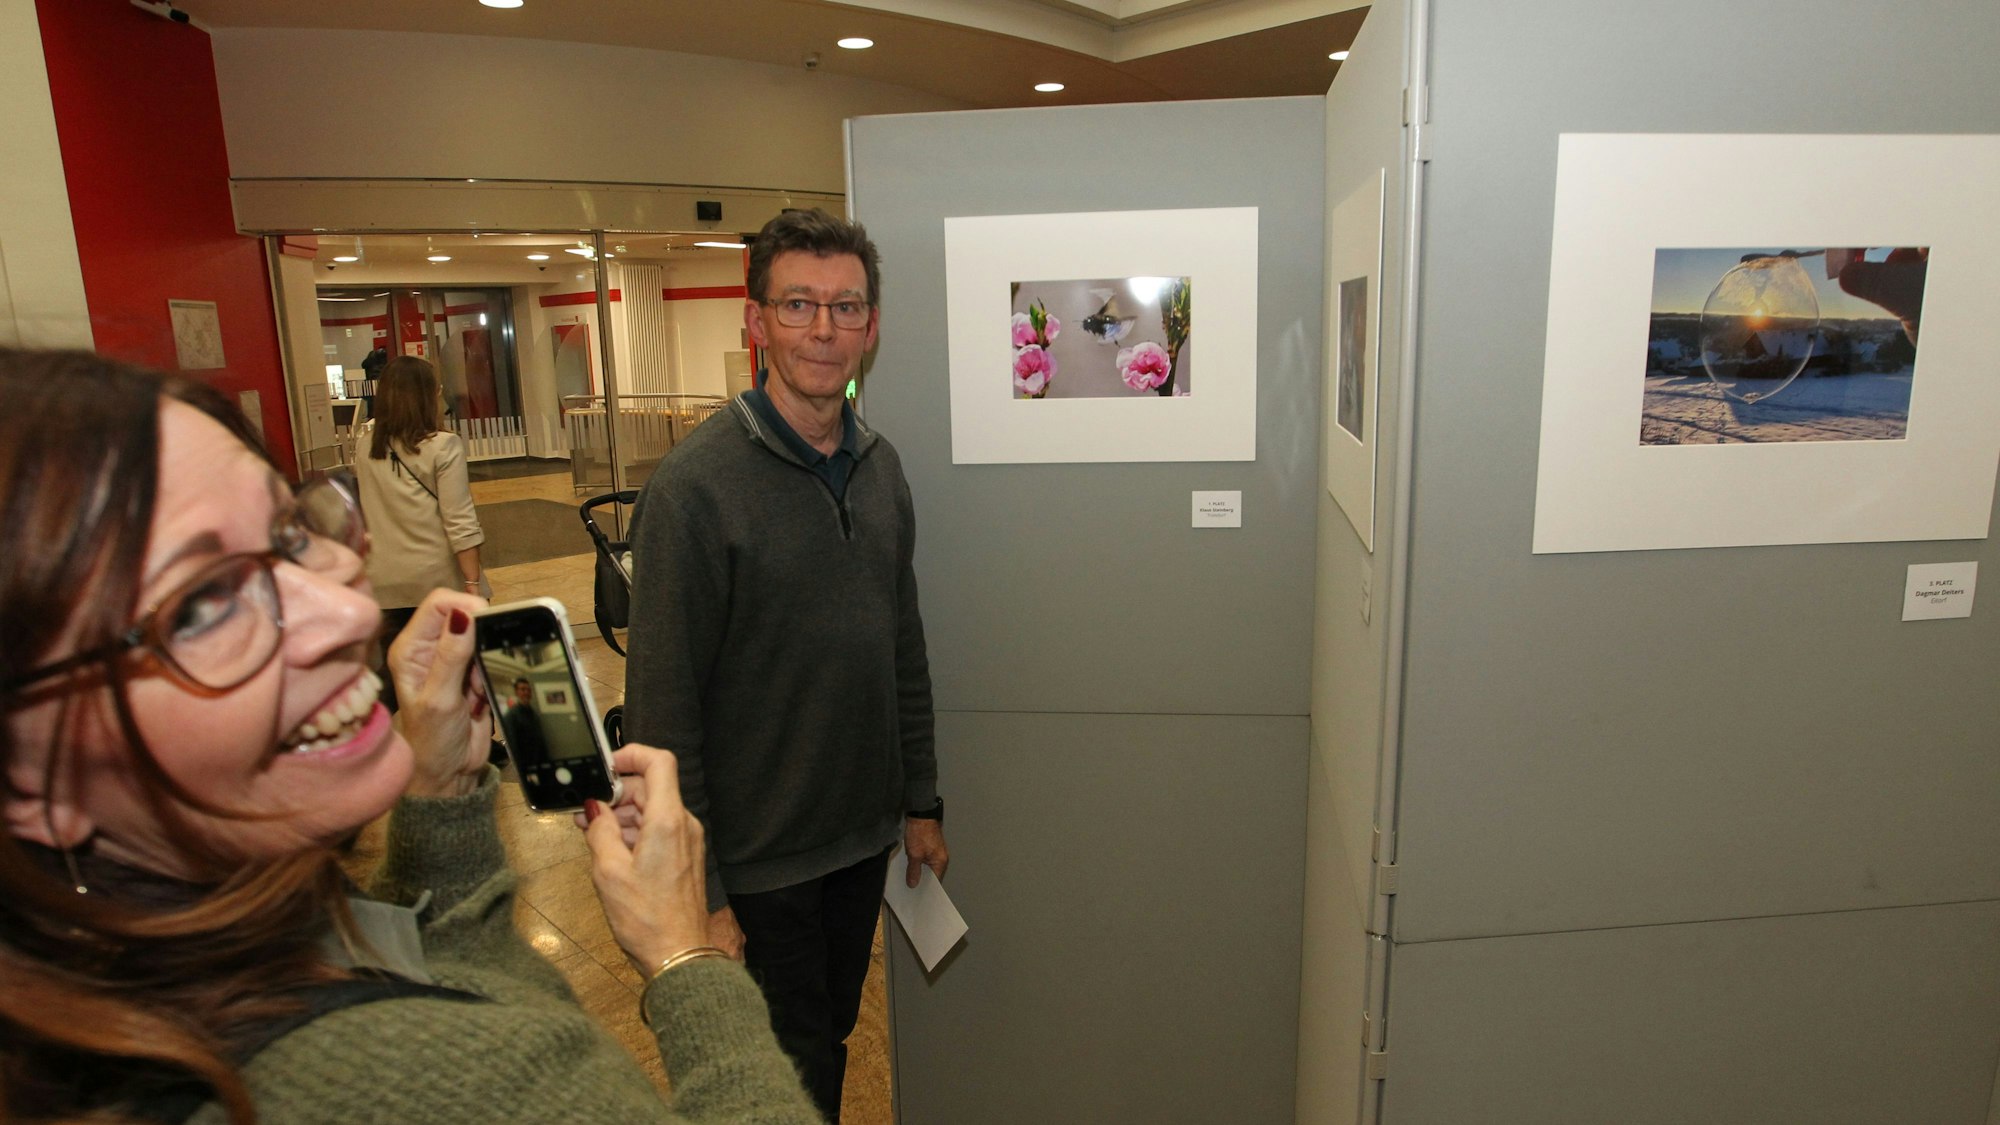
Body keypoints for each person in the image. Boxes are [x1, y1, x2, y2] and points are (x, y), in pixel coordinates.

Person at [0, 349, 820, 1125]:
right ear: (31, 782)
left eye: (291, 532)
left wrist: (439, 803)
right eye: (199, 606)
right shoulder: (439, 1084)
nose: (347, 611)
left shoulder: (105, 1007)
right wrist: (686, 959)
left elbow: (437, 977)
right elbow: (465, 1048)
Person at [625, 208, 948, 1122]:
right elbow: (661, 714)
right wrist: (700, 895)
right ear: (756, 320)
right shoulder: (694, 489)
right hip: (756, 864)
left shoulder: (880, 469)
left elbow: (902, 645)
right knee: (781, 1066)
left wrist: (920, 801)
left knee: (826, 1037)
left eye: (846, 307)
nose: (823, 329)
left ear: (871, 326)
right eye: (798, 304)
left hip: (857, 841)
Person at [352, 355, 487, 693]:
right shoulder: (443, 446)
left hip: (384, 581)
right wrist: (472, 583)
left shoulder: (366, 446)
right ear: (428, 396)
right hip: (436, 581)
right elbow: (459, 519)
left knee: (402, 679)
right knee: (452, 679)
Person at [499, 676, 550, 762]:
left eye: (528, 690)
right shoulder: (511, 716)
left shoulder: (533, 713)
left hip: (541, 760)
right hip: (527, 763)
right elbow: (513, 746)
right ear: (516, 692)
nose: (526, 692)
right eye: (523, 689)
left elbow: (539, 739)